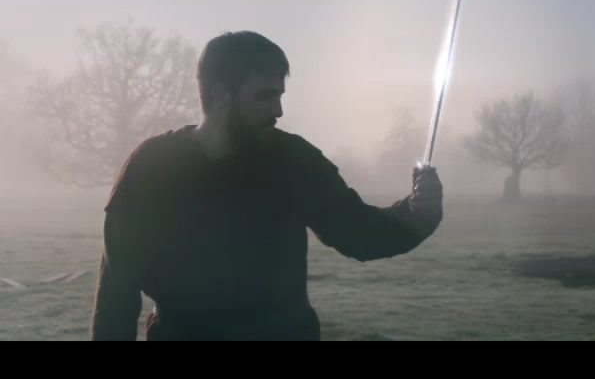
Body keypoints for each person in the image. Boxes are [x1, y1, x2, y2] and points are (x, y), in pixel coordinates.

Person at [90, 31, 443, 341]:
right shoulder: (151, 167)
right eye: (264, 96)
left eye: (280, 95)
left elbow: (357, 231)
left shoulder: (294, 160)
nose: (278, 110)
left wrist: (416, 215)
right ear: (221, 95)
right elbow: (117, 291)